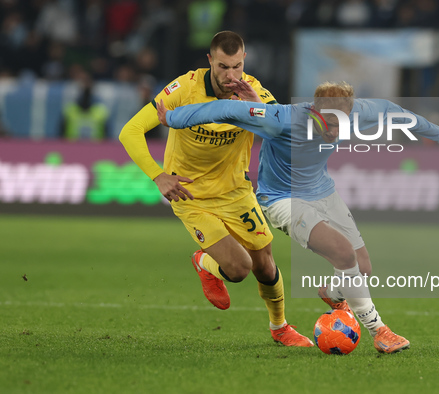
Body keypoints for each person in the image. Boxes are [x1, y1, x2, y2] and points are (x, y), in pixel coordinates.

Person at [155, 81, 439, 353]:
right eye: (330, 124)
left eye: (342, 125)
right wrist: (171, 117)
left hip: (323, 191)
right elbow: (223, 110)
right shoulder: (283, 119)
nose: (336, 132)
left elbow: (395, 111)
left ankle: (332, 293)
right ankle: (379, 332)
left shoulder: (358, 112)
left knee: (363, 267)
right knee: (343, 253)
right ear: (315, 111)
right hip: (281, 198)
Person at [119, 31, 313, 347]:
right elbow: (131, 131)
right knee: (239, 269)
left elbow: (286, 132)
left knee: (265, 265)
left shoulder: (253, 91)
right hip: (191, 195)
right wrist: (158, 176)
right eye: (223, 66)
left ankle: (279, 327)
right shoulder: (184, 89)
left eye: (236, 66)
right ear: (210, 61)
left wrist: (258, 110)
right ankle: (203, 262)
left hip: (236, 191)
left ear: (244, 61)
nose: (231, 75)